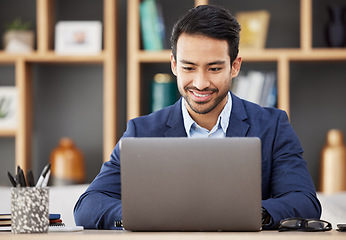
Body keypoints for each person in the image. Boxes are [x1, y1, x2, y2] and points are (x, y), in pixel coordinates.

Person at [74, 5, 321, 230]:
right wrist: (142, 215)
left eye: (214, 68)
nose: (200, 83)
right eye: (188, 68)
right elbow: (88, 206)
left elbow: (304, 201)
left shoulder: (273, 125)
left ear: (235, 66)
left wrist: (254, 214)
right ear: (173, 64)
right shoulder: (142, 131)